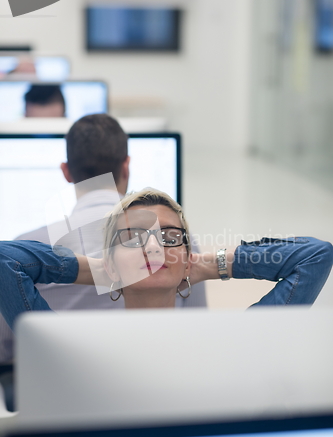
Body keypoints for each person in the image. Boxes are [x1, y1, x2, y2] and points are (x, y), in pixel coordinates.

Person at [0, 115, 207, 362]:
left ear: (66, 171)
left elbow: (6, 348)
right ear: (127, 166)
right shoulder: (175, 244)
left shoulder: (26, 252)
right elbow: (197, 329)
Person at [0, 188, 332, 331]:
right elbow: (5, 261)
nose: (154, 249)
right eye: (133, 239)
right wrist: (103, 270)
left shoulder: (230, 340)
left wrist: (203, 264)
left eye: (170, 238)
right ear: (110, 264)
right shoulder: (69, 347)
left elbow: (315, 256)